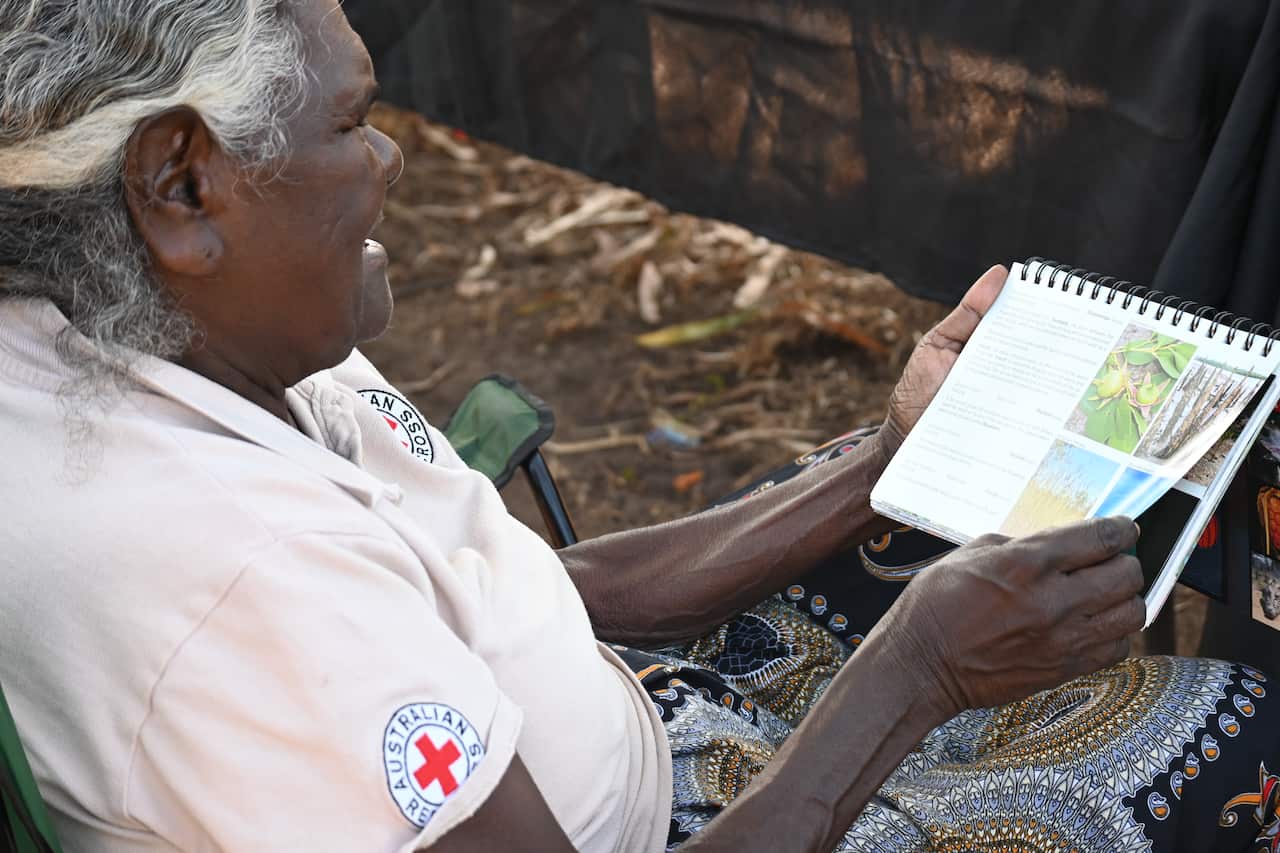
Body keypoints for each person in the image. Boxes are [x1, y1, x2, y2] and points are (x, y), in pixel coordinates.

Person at [0, 1, 1276, 851]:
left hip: (638, 720)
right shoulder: (239, 583)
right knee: (1240, 733)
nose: (386, 160)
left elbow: (529, 591)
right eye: (349, 124)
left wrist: (894, 460)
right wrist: (916, 672)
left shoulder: (132, 330)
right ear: (180, 186)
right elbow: (314, 615)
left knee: (937, 493)